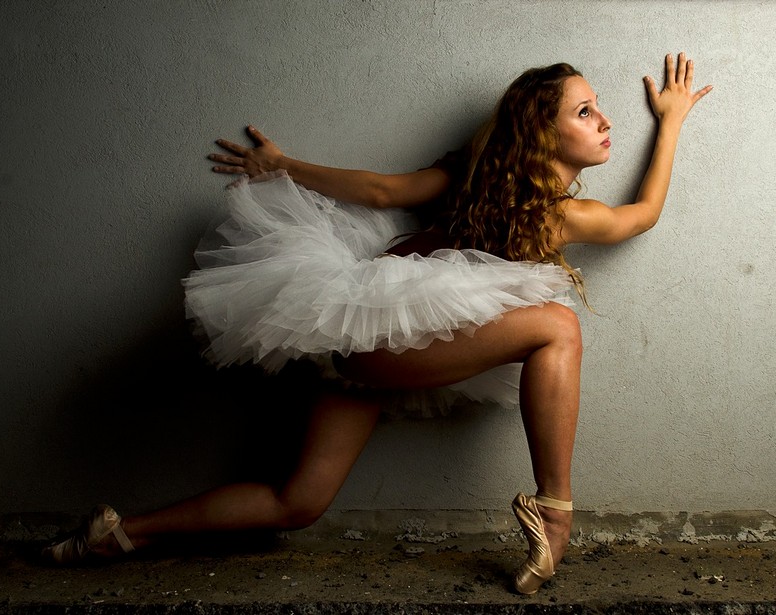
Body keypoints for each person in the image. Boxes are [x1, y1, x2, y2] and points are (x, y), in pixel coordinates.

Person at [42, 53, 710, 595]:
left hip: (365, 346)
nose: (605, 120)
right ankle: (555, 513)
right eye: (585, 110)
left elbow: (641, 213)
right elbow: (382, 190)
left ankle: (118, 533)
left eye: (598, 106)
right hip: (378, 326)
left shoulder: (521, 197)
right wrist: (282, 166)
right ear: (543, 131)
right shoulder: (490, 185)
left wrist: (671, 120)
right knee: (558, 325)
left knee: (298, 502)